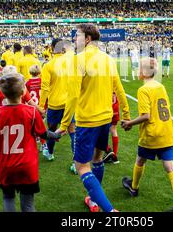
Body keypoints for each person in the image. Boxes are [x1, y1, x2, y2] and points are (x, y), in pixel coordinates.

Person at [57, 23, 130, 213]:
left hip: (87, 121)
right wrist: (127, 114)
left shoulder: (78, 59)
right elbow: (119, 89)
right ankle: (93, 199)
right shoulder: (108, 59)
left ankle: (110, 210)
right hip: (105, 119)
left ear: (87, 39)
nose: (74, 39)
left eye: (77, 36)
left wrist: (64, 125)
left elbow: (72, 96)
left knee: (81, 166)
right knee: (97, 159)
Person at [0, 72, 61, 212]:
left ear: (2, 91)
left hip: (6, 166)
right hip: (27, 166)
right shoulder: (31, 112)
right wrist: (56, 135)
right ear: (23, 91)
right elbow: (43, 133)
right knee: (28, 204)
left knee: (8, 199)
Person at [120, 57, 173, 212]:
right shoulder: (160, 87)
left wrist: (129, 123)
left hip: (151, 134)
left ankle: (134, 187)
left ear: (143, 72)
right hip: (166, 131)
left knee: (140, 160)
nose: (137, 71)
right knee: (170, 166)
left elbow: (146, 116)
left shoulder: (143, 90)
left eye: (138, 68)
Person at [39, 38, 76, 169]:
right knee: (73, 131)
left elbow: (44, 88)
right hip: (69, 104)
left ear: (52, 48)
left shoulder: (48, 65)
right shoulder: (72, 62)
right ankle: (75, 162)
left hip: (54, 104)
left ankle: (50, 153)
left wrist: (40, 106)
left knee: (51, 130)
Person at [25, 65, 47, 152]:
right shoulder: (42, 81)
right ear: (39, 72)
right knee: (42, 125)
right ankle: (43, 144)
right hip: (42, 106)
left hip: (32, 107)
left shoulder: (27, 83)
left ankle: (35, 141)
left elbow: (25, 95)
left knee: (32, 125)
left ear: (30, 72)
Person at [103, 92, 120, 164]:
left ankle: (108, 150)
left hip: (107, 108)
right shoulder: (116, 83)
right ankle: (114, 156)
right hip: (115, 109)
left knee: (97, 130)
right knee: (113, 130)